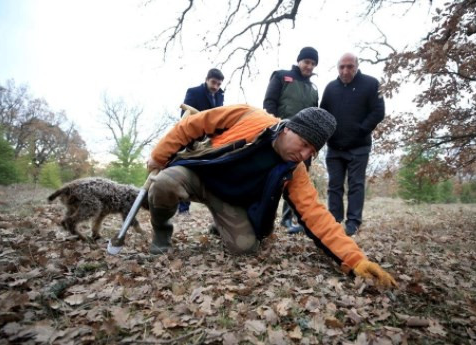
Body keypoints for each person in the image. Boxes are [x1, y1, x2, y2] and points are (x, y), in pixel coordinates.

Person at [146, 104, 397, 288]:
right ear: (288, 128)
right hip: (200, 175)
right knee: (165, 182)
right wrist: (158, 158)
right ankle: (161, 230)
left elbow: (316, 215)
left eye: (312, 150)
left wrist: (355, 260)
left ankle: (219, 224)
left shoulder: (294, 170)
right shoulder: (249, 115)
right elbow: (194, 124)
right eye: (304, 143)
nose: (304, 154)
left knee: (244, 249)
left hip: (229, 201)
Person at [320, 53, 385, 236]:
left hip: (359, 146)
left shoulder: (371, 84)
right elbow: (322, 114)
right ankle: (334, 220)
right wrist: (326, 136)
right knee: (334, 186)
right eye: (342, 67)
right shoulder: (331, 88)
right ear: (337, 68)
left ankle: (353, 223)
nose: (345, 70)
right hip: (334, 147)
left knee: (356, 185)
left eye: (349, 66)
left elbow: (378, 111)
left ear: (357, 66)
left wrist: (361, 130)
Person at [263, 46, 319, 234]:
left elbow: (315, 116)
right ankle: (264, 218)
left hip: (304, 144)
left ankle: (288, 220)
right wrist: (274, 129)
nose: (309, 66)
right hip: (281, 138)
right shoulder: (281, 76)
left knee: (295, 181)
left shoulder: (313, 88)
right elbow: (269, 103)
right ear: (299, 61)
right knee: (272, 180)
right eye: (306, 62)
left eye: (312, 63)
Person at [177, 68, 225, 214]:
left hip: (210, 141)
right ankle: (183, 209)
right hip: (192, 138)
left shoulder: (220, 96)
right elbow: (184, 116)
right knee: (186, 169)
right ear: (206, 79)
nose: (215, 86)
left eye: (218, 84)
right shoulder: (193, 92)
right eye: (213, 82)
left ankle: (215, 208)